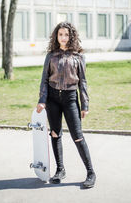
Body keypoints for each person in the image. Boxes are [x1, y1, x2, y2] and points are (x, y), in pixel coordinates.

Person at [36, 22, 96, 189]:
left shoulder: (78, 56)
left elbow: (83, 82)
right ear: (57, 36)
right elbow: (44, 80)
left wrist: (85, 104)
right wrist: (42, 100)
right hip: (53, 99)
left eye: (66, 35)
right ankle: (60, 169)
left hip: (70, 98)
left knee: (77, 135)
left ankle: (91, 172)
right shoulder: (51, 55)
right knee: (55, 134)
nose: (63, 38)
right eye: (60, 34)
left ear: (71, 36)